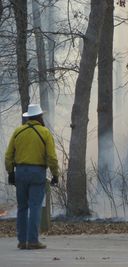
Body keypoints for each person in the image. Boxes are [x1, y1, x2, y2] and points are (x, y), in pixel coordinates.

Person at [5, 104, 59, 250]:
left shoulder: (18, 132)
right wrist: (55, 174)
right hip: (37, 172)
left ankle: (22, 241)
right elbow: (52, 157)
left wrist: (10, 172)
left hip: (20, 172)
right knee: (35, 207)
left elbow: (8, 155)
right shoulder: (45, 133)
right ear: (40, 117)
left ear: (28, 117)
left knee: (22, 207)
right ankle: (33, 241)